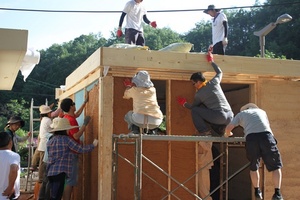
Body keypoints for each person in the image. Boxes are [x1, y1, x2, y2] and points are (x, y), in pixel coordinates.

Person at [225, 103, 284, 200]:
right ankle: (277, 193)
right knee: (276, 166)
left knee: (254, 166)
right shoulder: (262, 112)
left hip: (251, 138)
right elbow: (267, 126)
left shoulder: (241, 114)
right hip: (266, 137)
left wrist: (228, 134)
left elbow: (228, 128)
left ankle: (257, 191)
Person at [177, 52, 233, 136]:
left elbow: (193, 107)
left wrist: (184, 104)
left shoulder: (199, 94)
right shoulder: (214, 82)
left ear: (198, 82)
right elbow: (219, 72)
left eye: (193, 83)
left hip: (219, 116)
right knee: (205, 109)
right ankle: (223, 129)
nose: (194, 86)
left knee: (196, 110)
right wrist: (211, 61)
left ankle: (204, 131)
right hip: (230, 116)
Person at [47, 117, 98, 200]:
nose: (68, 131)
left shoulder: (50, 141)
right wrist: (93, 145)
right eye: (67, 129)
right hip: (60, 173)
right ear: (64, 130)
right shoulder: (66, 140)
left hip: (50, 172)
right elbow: (80, 149)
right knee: (57, 196)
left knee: (53, 195)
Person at [60, 97, 91, 200]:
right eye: (73, 104)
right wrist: (85, 125)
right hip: (72, 153)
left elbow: (77, 114)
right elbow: (76, 136)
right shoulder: (70, 120)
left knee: (69, 180)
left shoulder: (68, 117)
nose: (74, 105)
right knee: (70, 181)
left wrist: (84, 102)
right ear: (71, 107)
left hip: (70, 153)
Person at [0, 131, 21, 200]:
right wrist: (10, 187)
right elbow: (14, 169)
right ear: (10, 142)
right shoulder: (13, 155)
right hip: (8, 195)